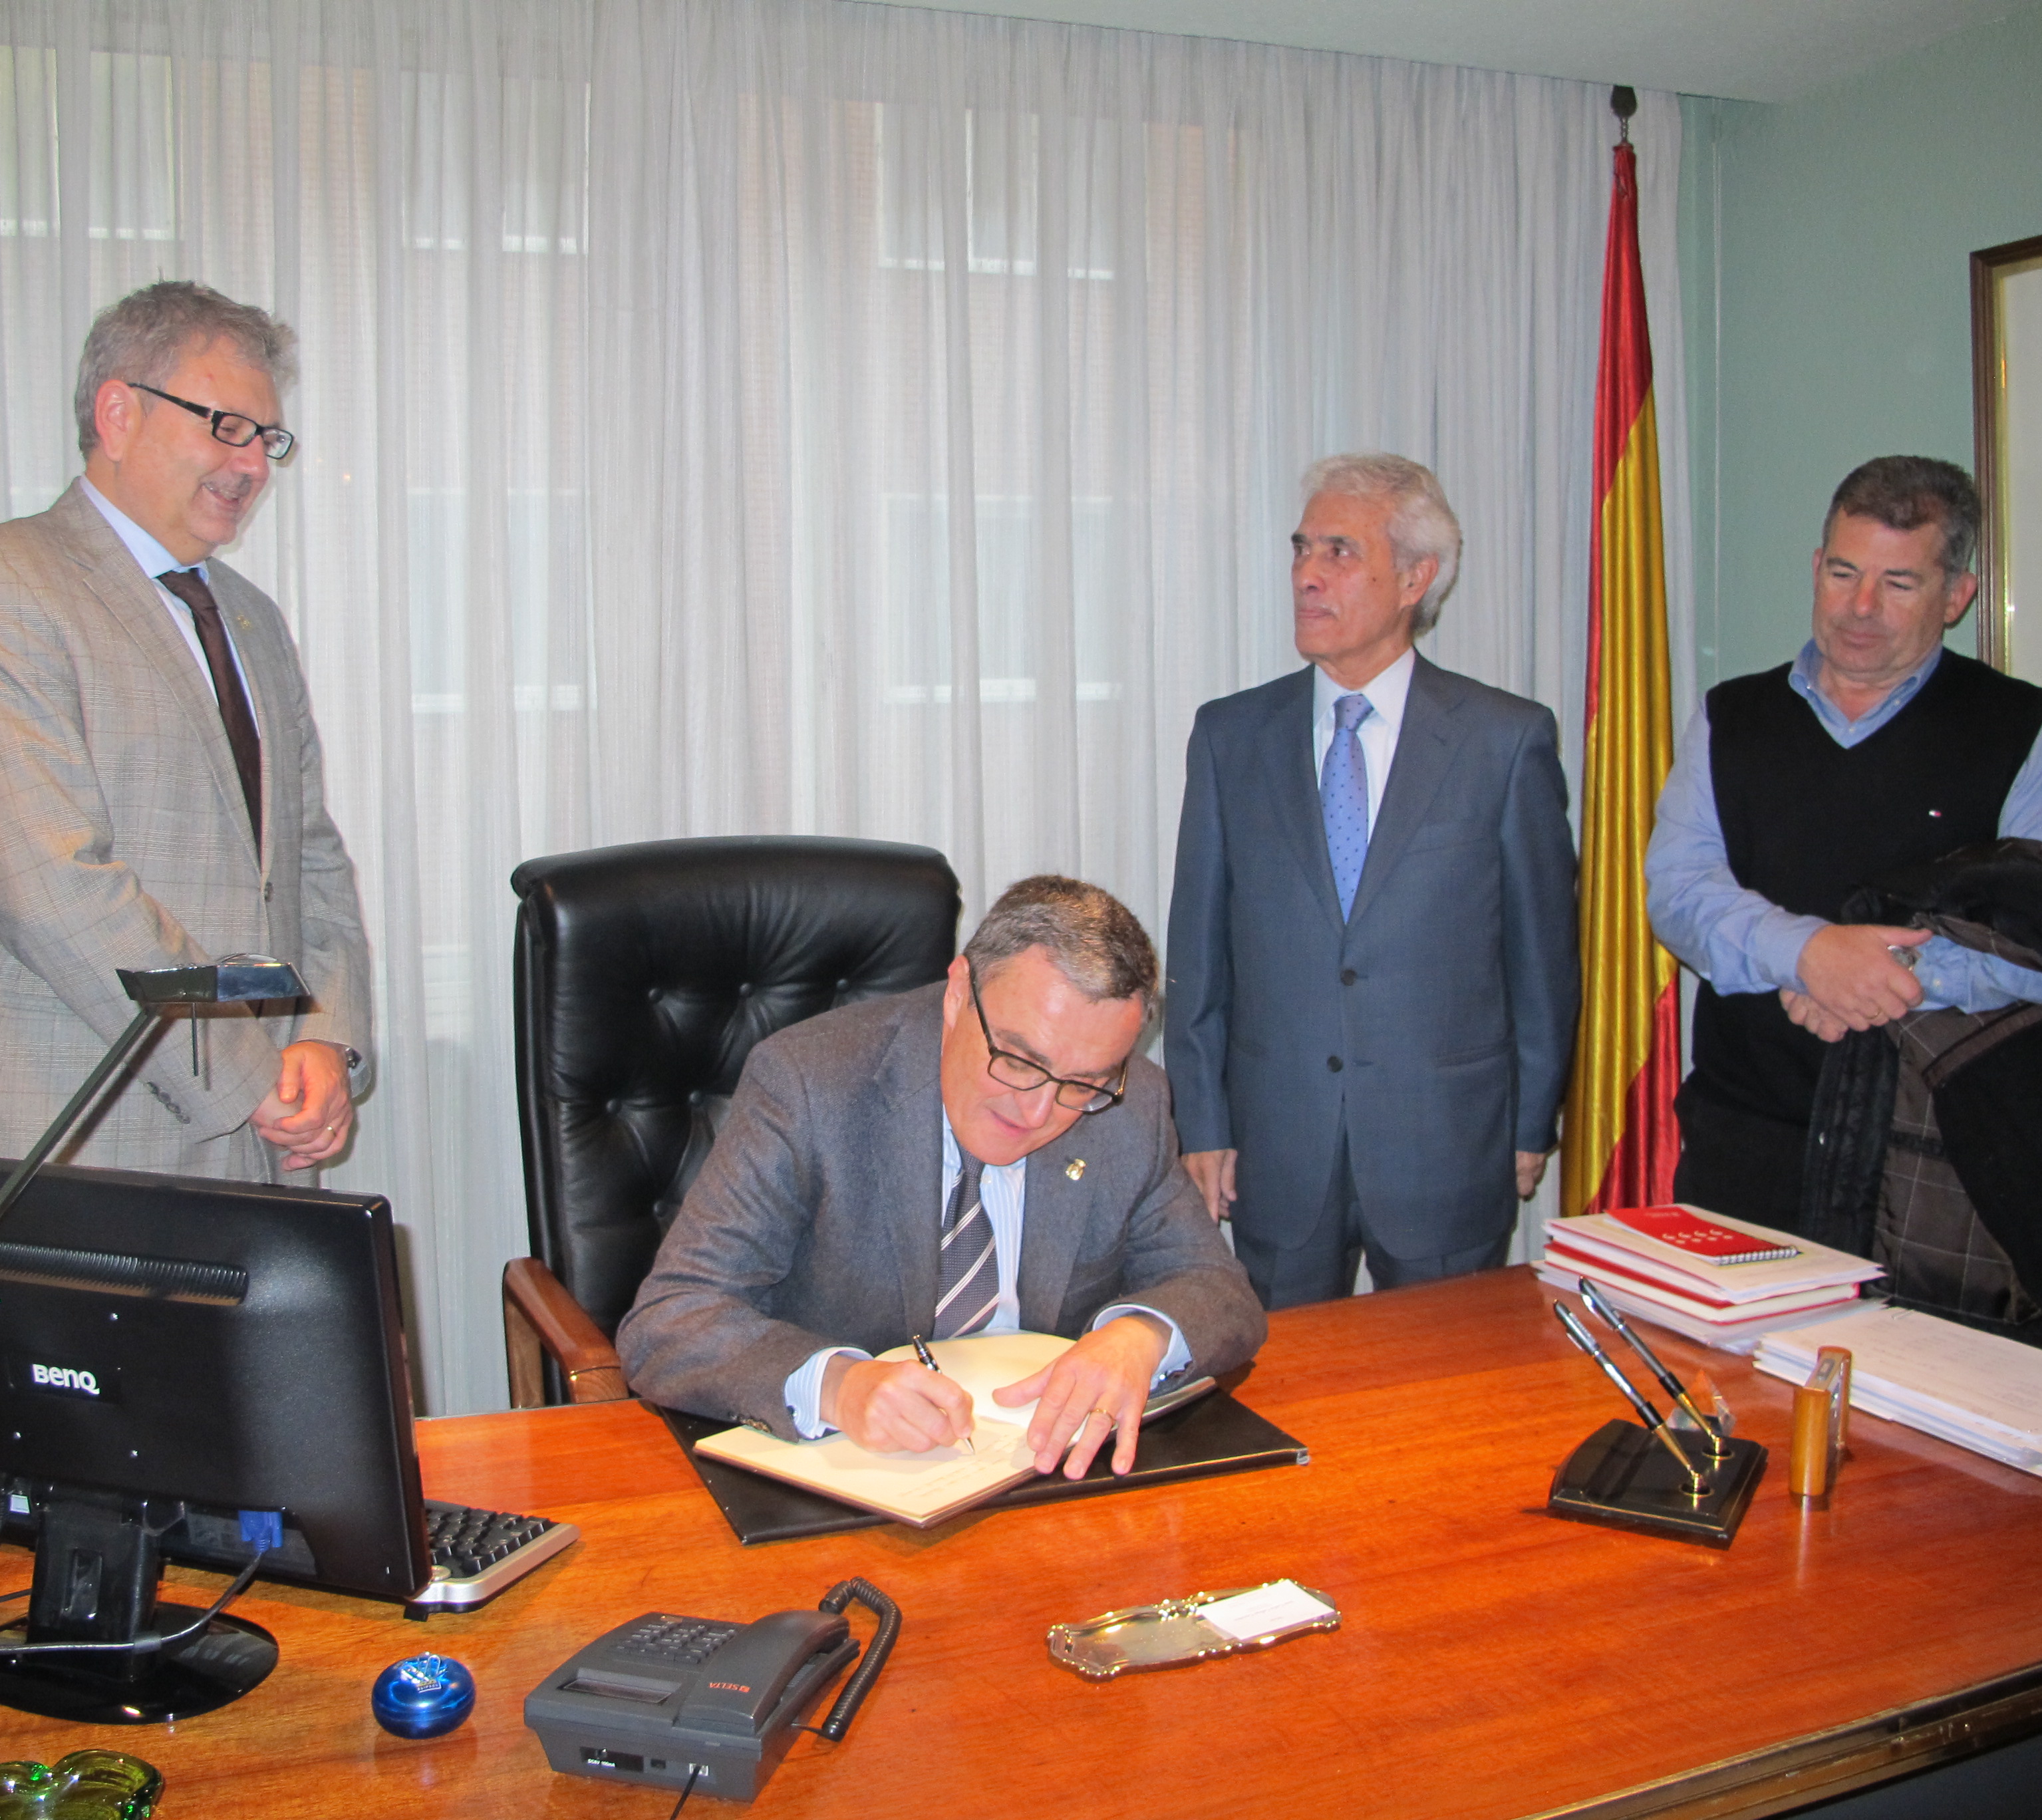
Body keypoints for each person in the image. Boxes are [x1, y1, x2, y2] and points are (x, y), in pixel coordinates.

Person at [0, 281, 373, 1179]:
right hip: (84, 1145)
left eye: (267, 439)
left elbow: (309, 858)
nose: (253, 466)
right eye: (227, 427)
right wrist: (247, 1074)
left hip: (265, 1151)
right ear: (118, 415)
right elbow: (54, 889)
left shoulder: (252, 620)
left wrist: (324, 1040)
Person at [617, 876, 1266, 1481]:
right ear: (958, 994)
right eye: (1019, 1060)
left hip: (1045, 1469)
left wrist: (1142, 1337)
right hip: (852, 1474)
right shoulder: (809, 1086)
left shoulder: (1131, 1104)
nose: (1037, 1111)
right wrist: (837, 1386)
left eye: (1083, 1084)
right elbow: (670, 1321)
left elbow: (1218, 1290)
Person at [1647, 454, 2042, 1231]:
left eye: (1899, 583)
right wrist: (1808, 954)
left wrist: (1883, 978)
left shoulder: (2025, 730)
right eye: (1843, 573)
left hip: (1941, 1169)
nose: (1860, 607)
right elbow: (1679, 891)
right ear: (1816, 568)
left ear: (1957, 596)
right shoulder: (1731, 716)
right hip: (1747, 1149)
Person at [1164, 452, 1580, 1308]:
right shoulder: (1232, 736)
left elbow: (1543, 958)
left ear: (1415, 579)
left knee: (1445, 1375)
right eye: (1302, 548)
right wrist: (1201, 1122)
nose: (1306, 575)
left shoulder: (1504, 741)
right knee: (1286, 1377)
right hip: (1279, 1145)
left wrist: (1530, 1122)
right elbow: (1198, 954)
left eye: (1340, 552)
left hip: (1448, 1144)